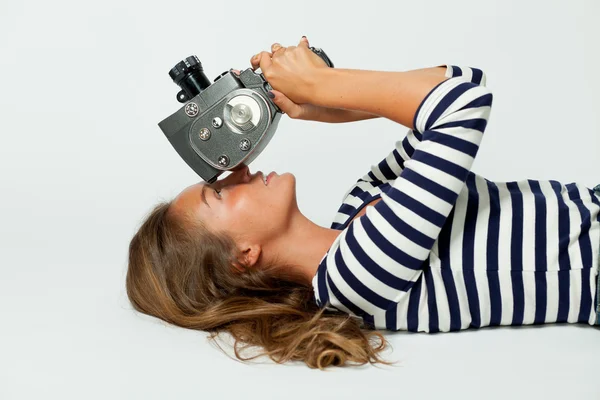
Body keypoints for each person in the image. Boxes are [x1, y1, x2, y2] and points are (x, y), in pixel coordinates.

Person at [126, 36, 600, 370]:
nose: (241, 171)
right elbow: (461, 103)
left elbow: (452, 81)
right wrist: (323, 86)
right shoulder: (355, 277)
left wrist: (326, 107)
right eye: (221, 192)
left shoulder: (354, 212)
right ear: (243, 257)